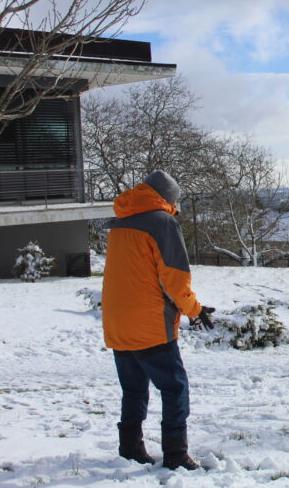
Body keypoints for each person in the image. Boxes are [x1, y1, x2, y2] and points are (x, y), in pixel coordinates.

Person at [101, 170, 215, 470]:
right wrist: (195, 310)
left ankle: (130, 448)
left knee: (134, 389)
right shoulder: (162, 223)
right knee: (174, 388)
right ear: (168, 199)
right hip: (149, 324)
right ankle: (176, 453)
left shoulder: (120, 222)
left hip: (117, 322)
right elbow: (175, 279)